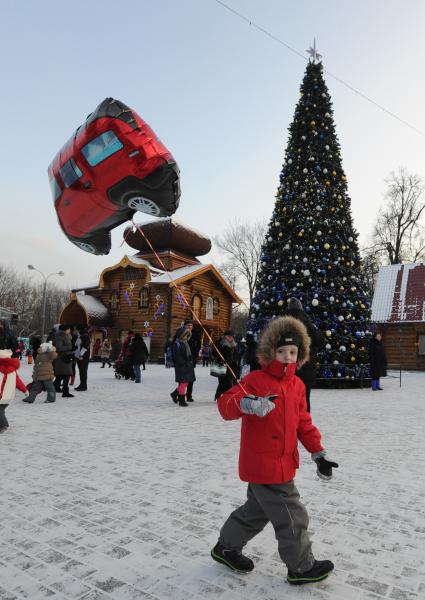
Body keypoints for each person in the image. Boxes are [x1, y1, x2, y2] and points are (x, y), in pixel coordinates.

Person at [211, 316, 338, 585]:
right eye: (281, 352)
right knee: (293, 516)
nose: (287, 357)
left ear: (300, 354)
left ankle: (225, 547)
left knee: (256, 513)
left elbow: (303, 423)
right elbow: (225, 404)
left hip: (284, 463)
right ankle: (301, 567)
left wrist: (319, 453)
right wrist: (247, 403)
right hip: (264, 465)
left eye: (293, 352)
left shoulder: (297, 386)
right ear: (270, 352)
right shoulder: (255, 380)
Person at [284, 297, 326, 412]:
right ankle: (304, 425)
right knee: (305, 398)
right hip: (306, 367)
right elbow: (320, 340)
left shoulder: (281, 322)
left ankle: (289, 425)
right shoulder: (307, 322)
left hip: (286, 368)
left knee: (286, 399)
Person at [0, 348, 27, 432]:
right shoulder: (13, 370)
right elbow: (18, 382)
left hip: (2, 395)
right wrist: (24, 390)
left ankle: (4, 425)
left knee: (0, 411)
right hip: (8, 396)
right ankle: (3, 424)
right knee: (1, 410)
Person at [170, 328, 195, 407]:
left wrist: (190, 360)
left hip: (187, 365)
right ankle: (181, 401)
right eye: (185, 335)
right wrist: (183, 362)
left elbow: (188, 354)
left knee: (186, 382)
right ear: (181, 335)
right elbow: (177, 356)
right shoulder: (177, 344)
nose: (186, 336)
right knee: (183, 383)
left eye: (187, 335)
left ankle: (174, 394)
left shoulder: (185, 343)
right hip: (181, 366)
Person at [213, 329, 239, 401]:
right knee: (223, 382)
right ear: (225, 336)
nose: (231, 338)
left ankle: (221, 396)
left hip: (231, 366)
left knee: (229, 382)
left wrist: (234, 360)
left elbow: (236, 355)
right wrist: (217, 346)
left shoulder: (234, 344)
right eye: (229, 336)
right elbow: (214, 353)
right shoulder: (220, 343)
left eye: (232, 336)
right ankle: (223, 397)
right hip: (221, 365)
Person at [53, 324, 74, 398]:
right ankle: (65, 392)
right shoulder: (60, 336)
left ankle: (53, 387)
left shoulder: (66, 335)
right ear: (65, 329)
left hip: (66, 357)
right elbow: (59, 347)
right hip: (62, 358)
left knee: (61, 375)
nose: (70, 330)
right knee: (67, 374)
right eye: (69, 329)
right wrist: (70, 347)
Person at [182, 320, 200, 402]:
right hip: (183, 359)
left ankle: (189, 395)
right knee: (184, 379)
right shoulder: (181, 333)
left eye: (191, 325)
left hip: (192, 358)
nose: (190, 327)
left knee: (191, 379)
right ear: (185, 326)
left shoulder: (195, 334)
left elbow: (198, 344)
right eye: (188, 325)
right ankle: (178, 394)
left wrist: (196, 354)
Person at [74, 326, 90, 391]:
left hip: (83, 357)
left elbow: (85, 347)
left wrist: (81, 355)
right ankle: (82, 384)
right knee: (82, 371)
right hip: (82, 356)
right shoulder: (82, 336)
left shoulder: (84, 336)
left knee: (83, 371)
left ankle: (83, 386)